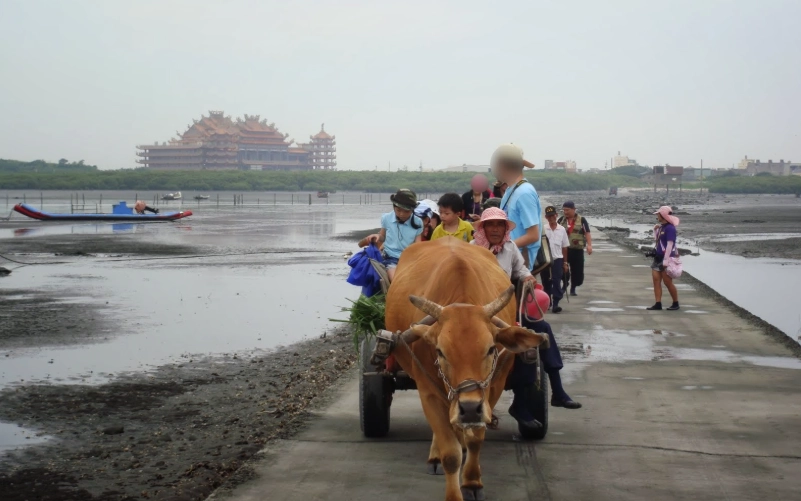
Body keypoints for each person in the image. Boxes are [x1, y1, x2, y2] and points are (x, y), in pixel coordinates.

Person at [471, 208, 581, 434]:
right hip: (477, 315)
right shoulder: (472, 250)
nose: (494, 229)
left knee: (539, 335)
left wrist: (528, 277)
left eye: (499, 225)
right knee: (522, 346)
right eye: (490, 225)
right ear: (482, 228)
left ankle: (555, 391)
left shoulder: (510, 248)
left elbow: (521, 270)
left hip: (507, 311)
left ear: (505, 229)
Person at [491, 144, 541, 271]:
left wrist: (503, 247)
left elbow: (533, 235)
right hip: (506, 257)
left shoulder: (524, 193)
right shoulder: (510, 189)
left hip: (519, 261)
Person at [364, 189, 424, 282]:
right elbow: (383, 237)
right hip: (391, 258)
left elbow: (418, 245)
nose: (402, 214)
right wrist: (377, 236)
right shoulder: (386, 218)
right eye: (398, 210)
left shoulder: (418, 222)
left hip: (409, 259)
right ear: (394, 207)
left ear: (412, 210)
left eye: (406, 211)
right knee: (397, 281)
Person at [647, 206, 680, 311]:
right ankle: (658, 303)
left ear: (663, 215)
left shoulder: (670, 228)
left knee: (667, 282)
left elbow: (670, 244)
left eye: (658, 214)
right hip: (658, 257)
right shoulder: (661, 227)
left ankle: (675, 303)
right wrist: (655, 230)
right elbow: (657, 240)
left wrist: (666, 261)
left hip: (667, 258)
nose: (657, 216)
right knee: (656, 280)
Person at [558, 201, 592, 296]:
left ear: (574, 209)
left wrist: (589, 245)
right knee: (563, 268)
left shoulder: (582, 220)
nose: (565, 212)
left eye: (567, 210)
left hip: (577, 250)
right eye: (564, 210)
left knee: (577, 270)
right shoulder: (561, 220)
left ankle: (573, 287)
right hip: (564, 249)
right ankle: (565, 284)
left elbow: (587, 233)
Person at [541, 206, 569, 313]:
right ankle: (548, 302)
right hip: (546, 260)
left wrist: (565, 263)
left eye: (553, 215)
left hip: (558, 259)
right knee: (546, 281)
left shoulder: (561, 230)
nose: (551, 218)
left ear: (556, 215)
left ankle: (556, 303)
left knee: (556, 280)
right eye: (549, 216)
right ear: (546, 217)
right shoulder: (543, 229)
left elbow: (565, 246)